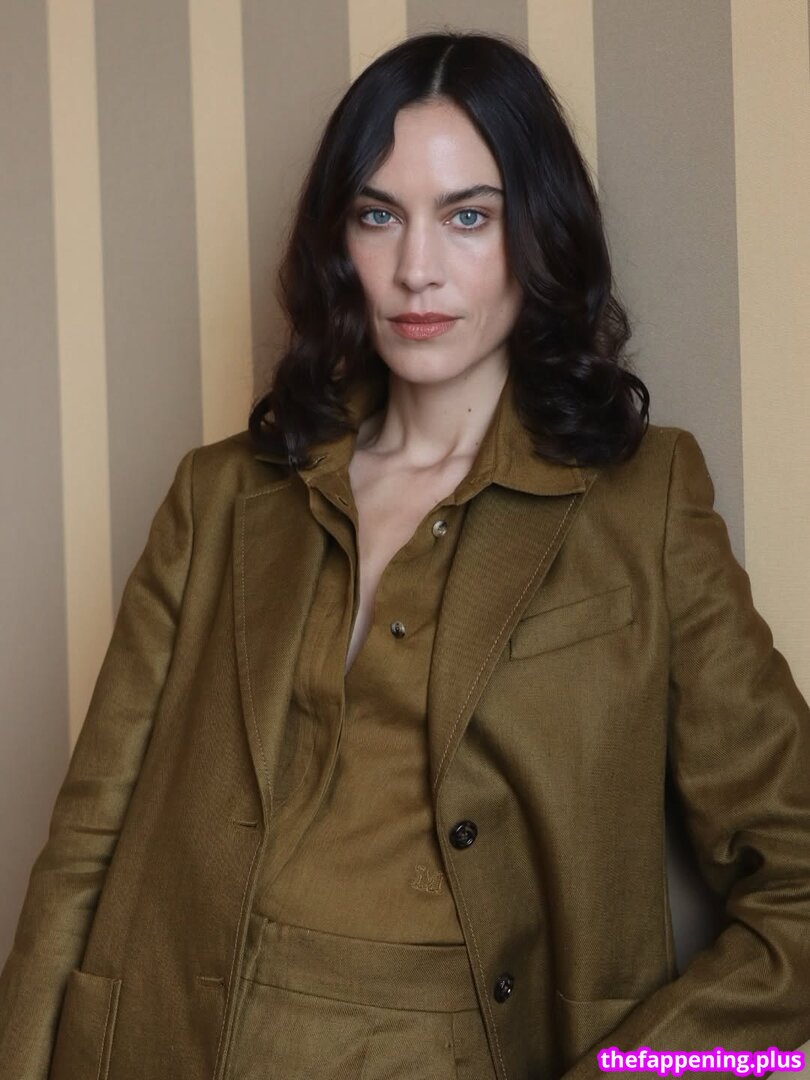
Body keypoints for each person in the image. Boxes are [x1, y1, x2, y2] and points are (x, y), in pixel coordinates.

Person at [1, 28, 809, 1080]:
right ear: (340, 242)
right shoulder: (221, 497)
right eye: (378, 215)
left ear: (540, 233)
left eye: (469, 216)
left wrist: (639, 1074)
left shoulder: (644, 502)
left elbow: (798, 880)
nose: (415, 270)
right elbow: (84, 849)